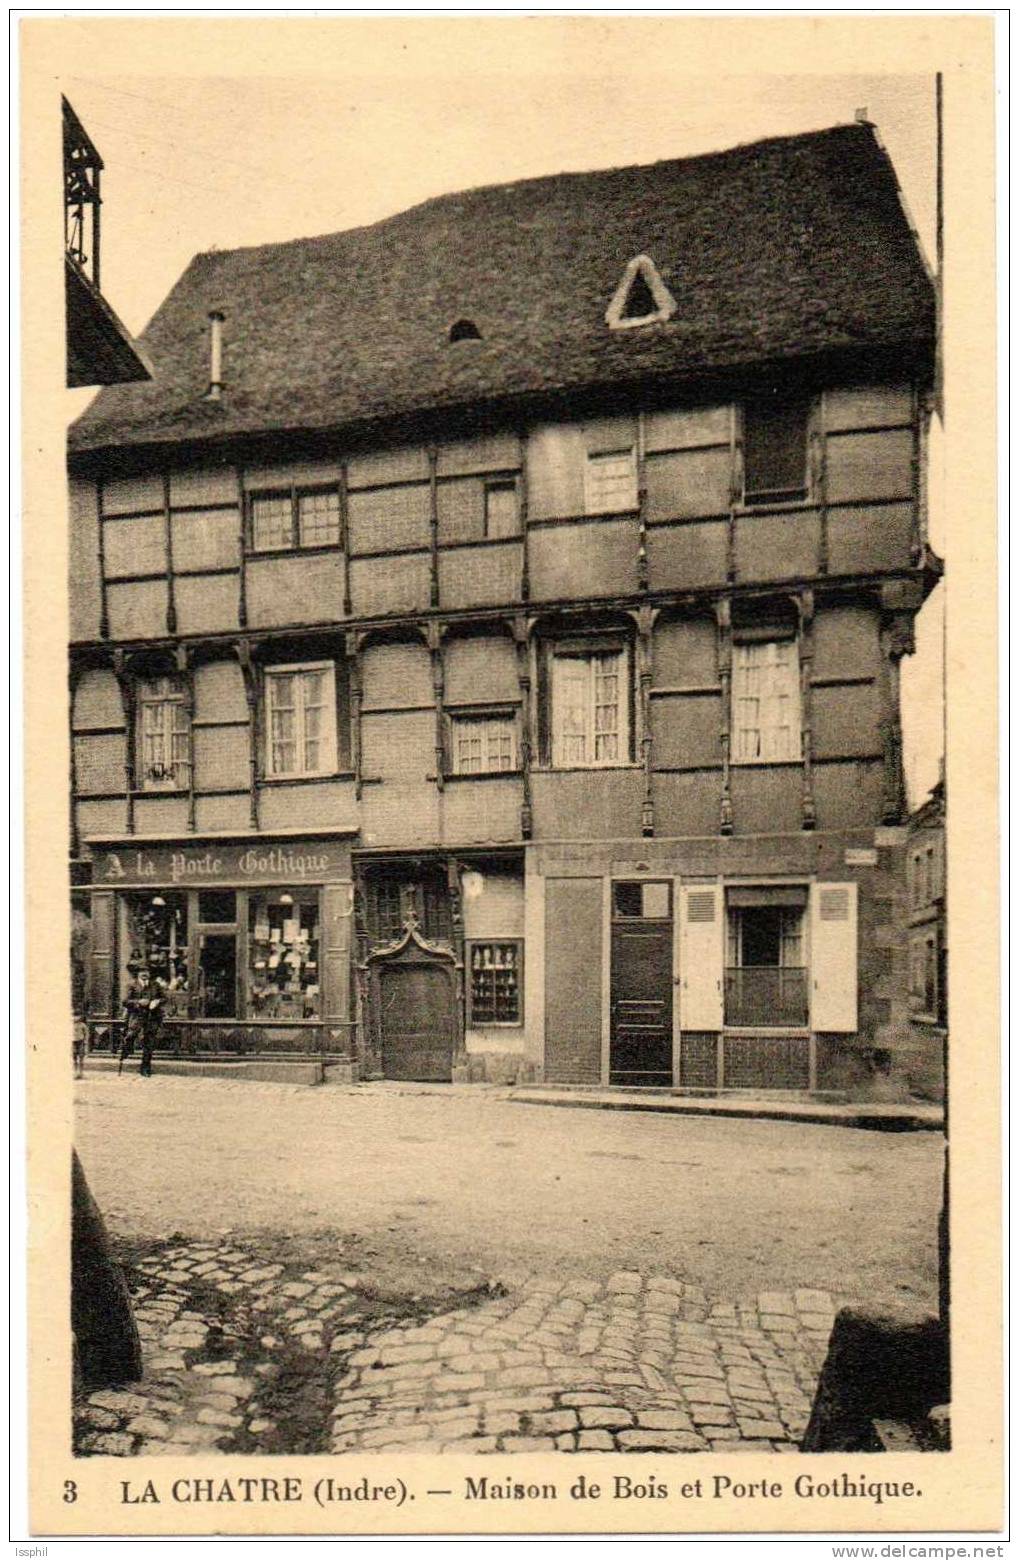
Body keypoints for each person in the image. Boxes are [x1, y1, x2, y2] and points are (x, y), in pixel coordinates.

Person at [121, 964, 165, 1077]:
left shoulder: (155, 985)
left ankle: (145, 1067)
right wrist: (138, 1002)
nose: (145, 974)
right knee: (131, 1035)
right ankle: (127, 1049)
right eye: (142, 971)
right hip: (137, 1016)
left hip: (152, 1017)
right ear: (138, 974)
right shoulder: (132, 985)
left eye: (147, 971)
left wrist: (157, 1002)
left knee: (149, 1043)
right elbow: (125, 1001)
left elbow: (164, 998)